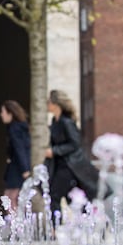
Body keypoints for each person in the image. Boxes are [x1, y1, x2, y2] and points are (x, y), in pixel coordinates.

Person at [44, 90, 84, 218]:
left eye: (49, 101)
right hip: (59, 165)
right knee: (69, 196)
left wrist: (54, 151)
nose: (47, 104)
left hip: (68, 166)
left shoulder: (66, 122)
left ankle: (55, 229)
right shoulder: (55, 122)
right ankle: (90, 223)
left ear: (56, 104)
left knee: (55, 195)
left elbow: (75, 143)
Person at [0, 100, 31, 213]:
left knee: (10, 197)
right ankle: (19, 225)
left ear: (10, 113)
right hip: (18, 167)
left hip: (17, 169)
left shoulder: (14, 129)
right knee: (15, 197)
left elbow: (20, 149)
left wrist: (25, 169)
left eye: (3, 112)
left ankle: (18, 226)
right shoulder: (18, 127)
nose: (1, 114)